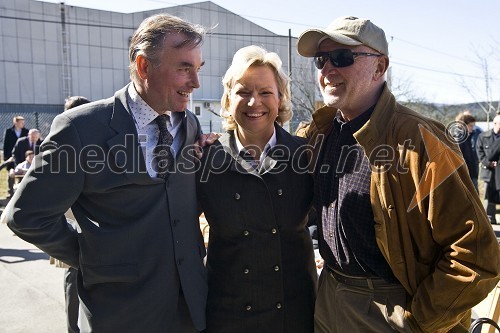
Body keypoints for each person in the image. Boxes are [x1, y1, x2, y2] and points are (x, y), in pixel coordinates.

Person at [4, 13, 211, 332]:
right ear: (144, 66)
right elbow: (27, 215)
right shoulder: (80, 129)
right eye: (184, 68)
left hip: (189, 310)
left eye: (198, 69)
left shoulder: (189, 124)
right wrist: (92, 256)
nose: (196, 83)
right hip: (118, 314)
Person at [296, 15, 500, 332]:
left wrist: (419, 320)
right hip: (328, 297)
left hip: (389, 309)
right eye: (321, 60)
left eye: (342, 57)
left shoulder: (423, 140)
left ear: (380, 67)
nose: (327, 70)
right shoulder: (318, 133)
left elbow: (476, 255)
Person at [196, 45, 317, 333]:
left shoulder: (306, 155)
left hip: (295, 312)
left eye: (265, 92)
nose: (254, 103)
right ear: (227, 98)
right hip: (229, 313)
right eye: (243, 92)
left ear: (280, 98)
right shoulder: (204, 158)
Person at [51, 95, 91, 333]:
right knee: (73, 279)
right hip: (73, 222)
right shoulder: (65, 142)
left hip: (80, 222)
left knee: (76, 280)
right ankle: (72, 328)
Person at [477, 114, 500, 224]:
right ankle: (489, 218)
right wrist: (488, 163)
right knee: (487, 195)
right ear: (495, 123)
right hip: (488, 171)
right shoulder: (483, 136)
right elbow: (479, 152)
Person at [1, 115, 29, 196]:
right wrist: (6, 157)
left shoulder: (26, 132)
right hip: (12, 158)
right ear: (15, 122)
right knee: (11, 174)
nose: (23, 124)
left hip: (22, 157)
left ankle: (20, 192)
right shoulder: (9, 131)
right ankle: (10, 191)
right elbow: (6, 145)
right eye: (21, 122)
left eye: (23, 122)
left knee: (22, 174)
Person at [455, 112, 479, 191]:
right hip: (464, 174)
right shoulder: (458, 138)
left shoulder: (470, 136)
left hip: (472, 172)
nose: (473, 128)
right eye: (471, 126)